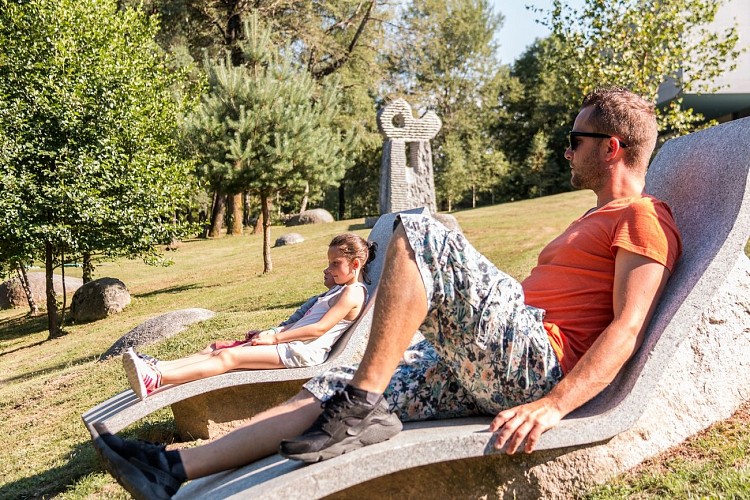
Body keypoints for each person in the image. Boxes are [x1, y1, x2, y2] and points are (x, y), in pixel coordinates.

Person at [98, 87, 682, 498]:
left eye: (575, 138)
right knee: (330, 386)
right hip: (498, 357)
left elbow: (626, 328)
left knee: (419, 228)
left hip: (537, 364)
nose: (566, 149)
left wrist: (554, 406)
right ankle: (174, 468)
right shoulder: (594, 217)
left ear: (611, 148)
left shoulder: (642, 219)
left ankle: (360, 409)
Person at [122, 233, 376, 400]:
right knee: (218, 350)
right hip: (291, 343)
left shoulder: (353, 293)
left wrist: (275, 340)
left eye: (335, 264)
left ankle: (157, 378)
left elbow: (319, 329)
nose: (329, 269)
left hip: (302, 352)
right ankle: (160, 368)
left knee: (229, 356)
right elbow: (304, 322)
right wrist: (273, 333)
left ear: (355, 264)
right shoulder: (342, 289)